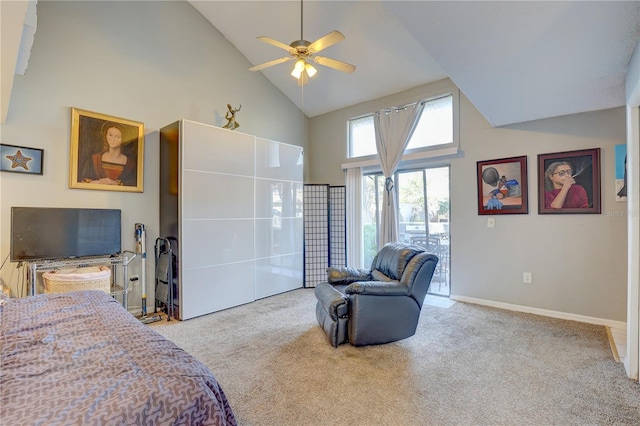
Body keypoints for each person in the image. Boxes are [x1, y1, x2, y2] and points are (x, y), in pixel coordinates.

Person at [81, 121, 137, 186]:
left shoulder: (131, 164)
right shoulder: (94, 159)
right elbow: (82, 182)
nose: (113, 139)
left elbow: (132, 185)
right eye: (110, 135)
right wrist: (99, 182)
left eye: (117, 136)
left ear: (123, 139)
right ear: (106, 136)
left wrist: (114, 183)